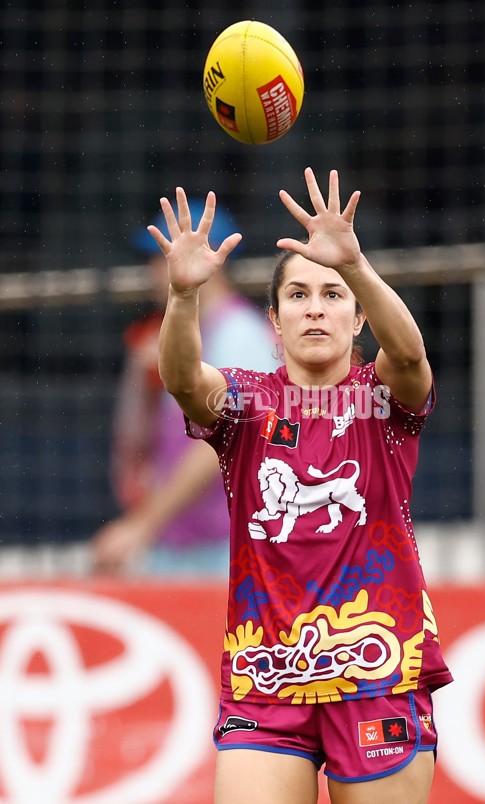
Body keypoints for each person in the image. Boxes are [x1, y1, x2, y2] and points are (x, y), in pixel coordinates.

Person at [152, 169, 453, 803]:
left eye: (333, 294)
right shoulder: (243, 406)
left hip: (378, 673)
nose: (316, 308)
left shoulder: (381, 399)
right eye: (298, 296)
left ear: (358, 316)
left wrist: (359, 267)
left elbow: (412, 360)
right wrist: (183, 296)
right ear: (274, 318)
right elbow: (181, 378)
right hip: (266, 681)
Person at [91, 200, 280, 576]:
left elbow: (222, 445)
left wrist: (142, 525)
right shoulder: (185, 332)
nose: (153, 271)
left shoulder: (239, 333)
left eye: (161, 257)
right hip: (188, 545)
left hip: (229, 547)